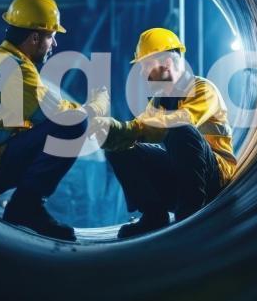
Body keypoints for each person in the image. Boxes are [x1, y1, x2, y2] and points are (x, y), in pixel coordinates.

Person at [0, 0, 108, 241]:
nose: (54, 45)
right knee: (75, 124)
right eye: (51, 37)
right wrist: (95, 108)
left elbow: (48, 104)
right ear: (35, 37)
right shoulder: (16, 69)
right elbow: (58, 116)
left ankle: (25, 204)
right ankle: (27, 206)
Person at [95, 28, 237, 239]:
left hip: (214, 180)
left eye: (146, 65)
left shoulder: (203, 90)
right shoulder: (160, 100)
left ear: (167, 63)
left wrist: (133, 129)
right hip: (182, 177)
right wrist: (114, 133)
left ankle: (190, 216)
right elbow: (140, 127)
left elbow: (181, 121)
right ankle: (154, 215)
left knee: (181, 129)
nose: (143, 73)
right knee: (119, 147)